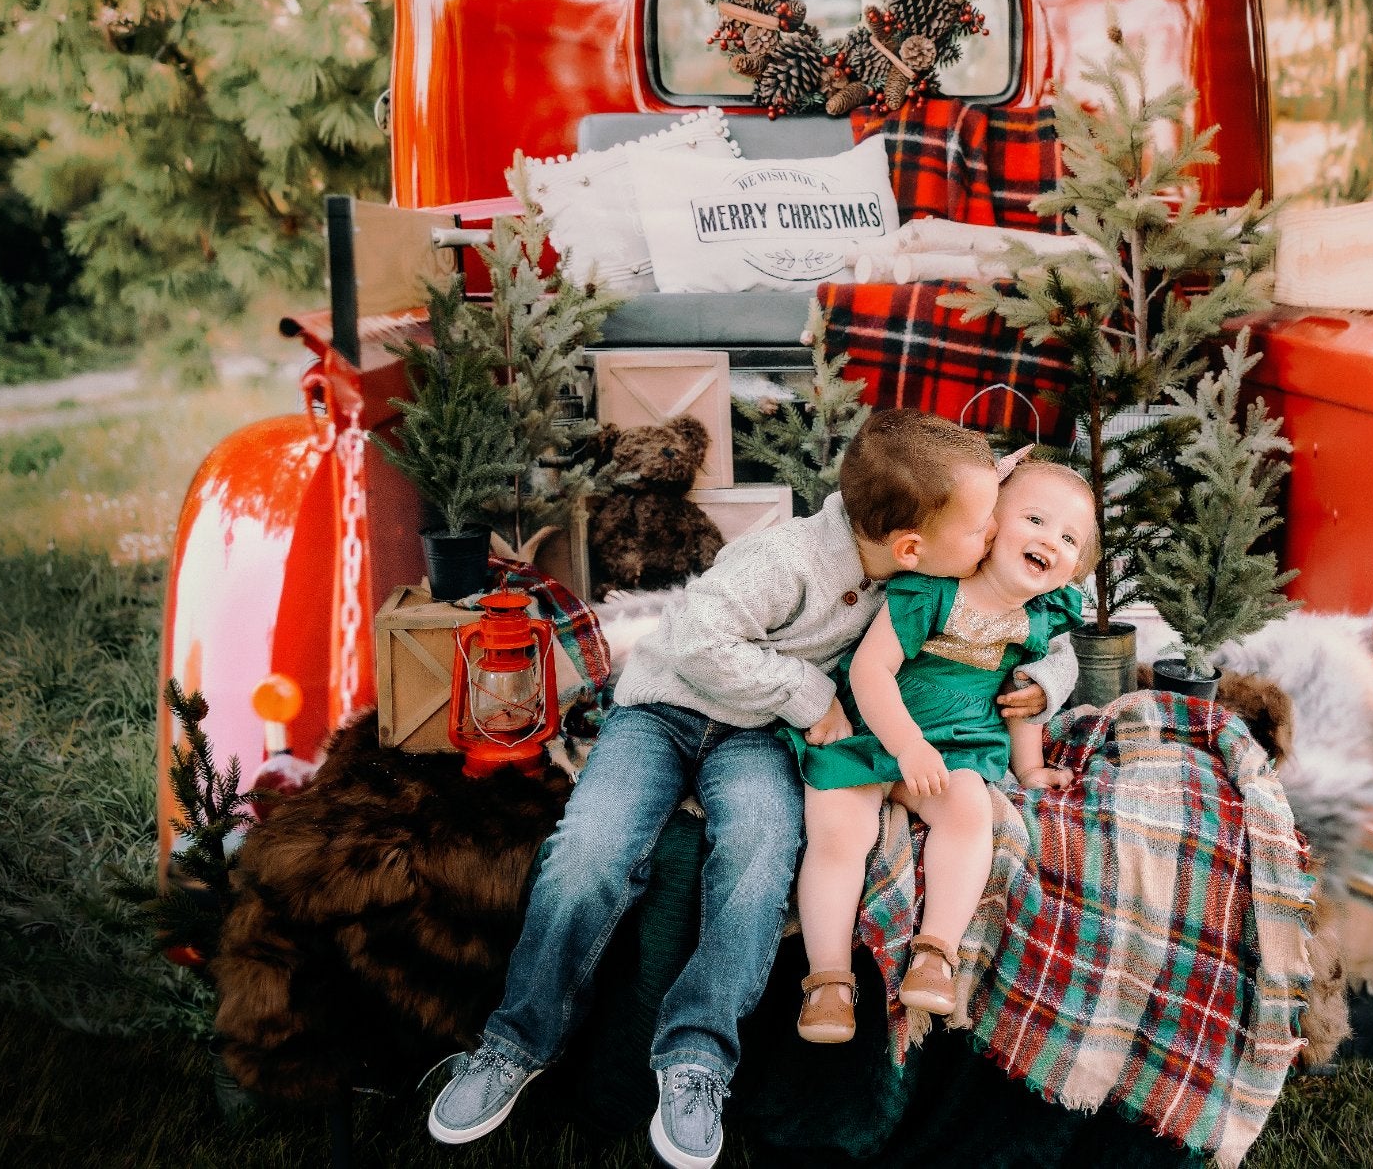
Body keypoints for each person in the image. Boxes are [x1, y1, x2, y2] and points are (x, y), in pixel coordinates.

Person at [426, 410, 1073, 1169]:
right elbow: (699, 640)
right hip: (667, 710)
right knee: (590, 853)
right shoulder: (787, 559)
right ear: (911, 547)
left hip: (758, 736)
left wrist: (1046, 677)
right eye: (982, 529)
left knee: (764, 851)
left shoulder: (924, 557)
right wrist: (808, 692)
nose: (992, 539)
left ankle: (698, 1055)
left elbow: (1029, 619)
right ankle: (515, 1041)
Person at [785, 458, 1097, 1045]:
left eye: (1068, 538)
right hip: (872, 733)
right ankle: (828, 978)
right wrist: (906, 747)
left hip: (956, 749)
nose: (1049, 540)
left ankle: (937, 952)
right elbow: (871, 670)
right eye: (1035, 518)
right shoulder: (930, 590)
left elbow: (1020, 699)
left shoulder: (1039, 620)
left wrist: (1029, 768)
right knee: (838, 836)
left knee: (971, 814)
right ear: (988, 524)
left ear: (1073, 568)